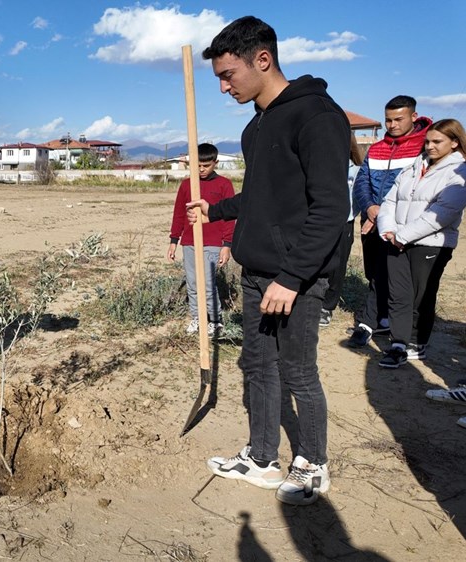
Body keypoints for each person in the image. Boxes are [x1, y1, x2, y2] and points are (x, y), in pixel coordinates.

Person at [188, 16, 350, 506]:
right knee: (258, 367)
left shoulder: (317, 116)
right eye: (217, 77)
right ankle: (262, 458)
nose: (222, 86)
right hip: (257, 274)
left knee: (299, 372)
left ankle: (314, 464)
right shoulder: (255, 128)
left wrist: (294, 276)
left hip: (294, 280)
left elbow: (330, 208)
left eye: (228, 74)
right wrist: (213, 209)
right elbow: (259, 198)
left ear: (263, 60)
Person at [375, 119, 466, 367]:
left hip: (430, 244)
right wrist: (388, 229)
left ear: (455, 142)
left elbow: (443, 213)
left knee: (421, 295)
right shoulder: (415, 166)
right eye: (427, 141)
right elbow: (390, 200)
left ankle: (417, 343)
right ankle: (398, 343)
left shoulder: (459, 173)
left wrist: (403, 235)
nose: (430, 146)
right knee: (398, 294)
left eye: (437, 141)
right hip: (396, 240)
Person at [347, 96, 432, 347]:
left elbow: (416, 189)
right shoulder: (376, 148)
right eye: (387, 120)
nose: (392, 125)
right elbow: (362, 181)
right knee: (374, 273)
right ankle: (378, 320)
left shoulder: (423, 148)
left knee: (401, 279)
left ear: (413, 117)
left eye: (398, 119)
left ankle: (392, 328)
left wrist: (384, 214)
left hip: (402, 226)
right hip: (371, 222)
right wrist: (370, 207)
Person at [167, 143, 235, 335]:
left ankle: (215, 320)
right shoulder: (186, 185)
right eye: (198, 165)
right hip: (190, 242)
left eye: (206, 165)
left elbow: (230, 217)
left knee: (207, 283)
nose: (201, 169)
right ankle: (197, 318)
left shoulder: (224, 185)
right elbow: (179, 213)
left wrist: (227, 245)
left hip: (213, 242)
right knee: (193, 282)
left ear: (216, 163)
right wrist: (174, 241)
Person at [320, 133, 365, 327]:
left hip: (344, 223)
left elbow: (360, 196)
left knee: (337, 267)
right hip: (320, 221)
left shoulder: (356, 170)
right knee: (318, 262)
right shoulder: (320, 167)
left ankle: (327, 306)